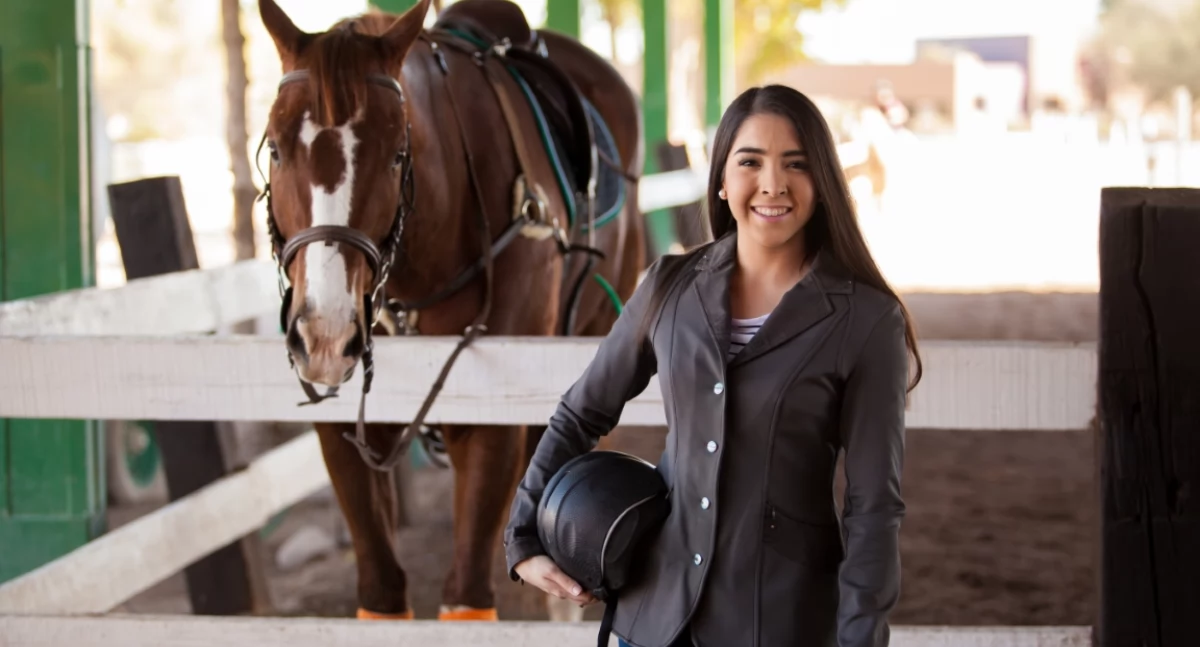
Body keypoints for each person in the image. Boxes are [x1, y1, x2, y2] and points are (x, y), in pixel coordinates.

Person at [503, 84, 923, 647]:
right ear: (722, 180)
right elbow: (580, 413)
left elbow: (873, 506)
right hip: (651, 618)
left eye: (795, 165)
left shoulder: (868, 321)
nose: (772, 184)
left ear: (822, 183)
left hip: (782, 623)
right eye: (750, 162)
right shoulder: (667, 287)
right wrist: (524, 535)